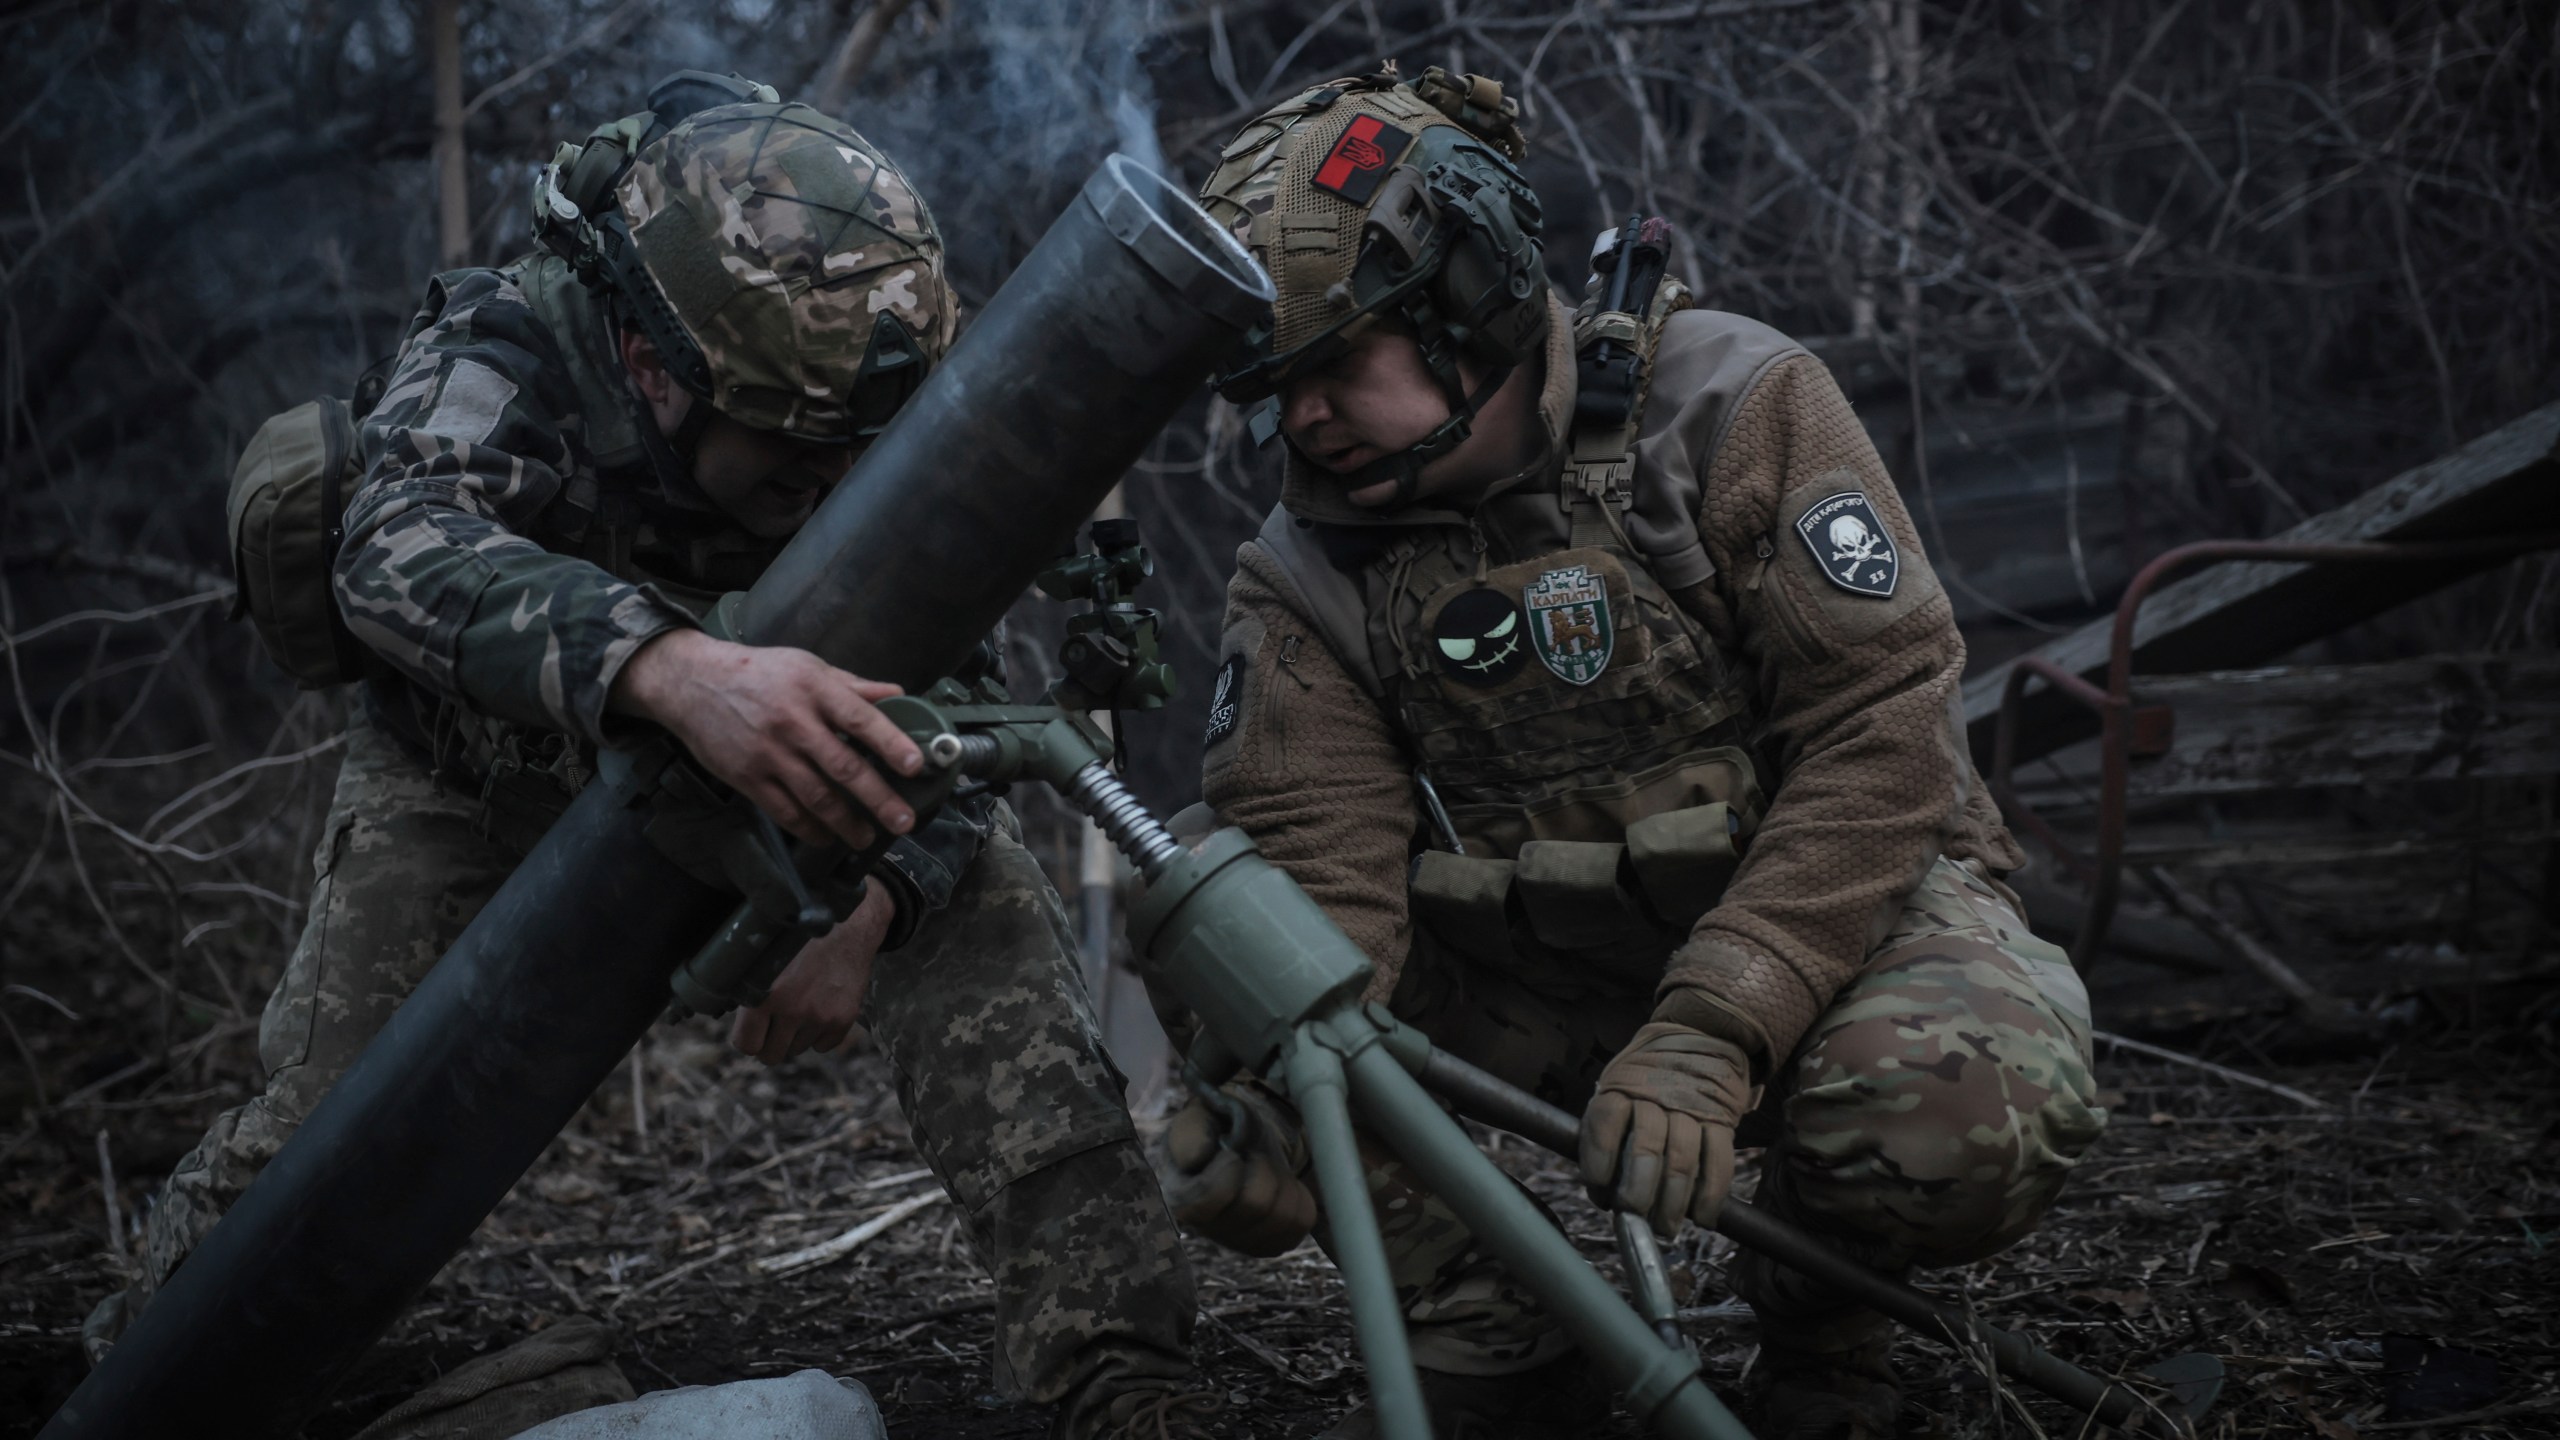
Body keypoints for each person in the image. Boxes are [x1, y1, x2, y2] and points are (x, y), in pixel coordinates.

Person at [86, 79, 1211, 1440]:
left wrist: (882, 893)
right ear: (651, 366)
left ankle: (1119, 1370)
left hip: (795, 763)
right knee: (329, 1136)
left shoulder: (860, 374)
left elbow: (953, 671)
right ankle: (132, 1379)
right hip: (480, 783)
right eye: (787, 454)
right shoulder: (510, 344)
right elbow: (395, 550)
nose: (827, 476)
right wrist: (676, 671)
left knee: (993, 943)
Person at [1154, 66, 2107, 1440]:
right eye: (1266, 386)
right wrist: (1280, 1114)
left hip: (1819, 935)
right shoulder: (1303, 576)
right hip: (1531, 984)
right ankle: (1491, 1323)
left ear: (1463, 302)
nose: (1294, 420)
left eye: (1326, 367)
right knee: (1216, 908)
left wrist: (1720, 1024)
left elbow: (1885, 732)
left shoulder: (1725, 407)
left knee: (1958, 1104)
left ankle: (1828, 1318)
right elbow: (1321, 891)